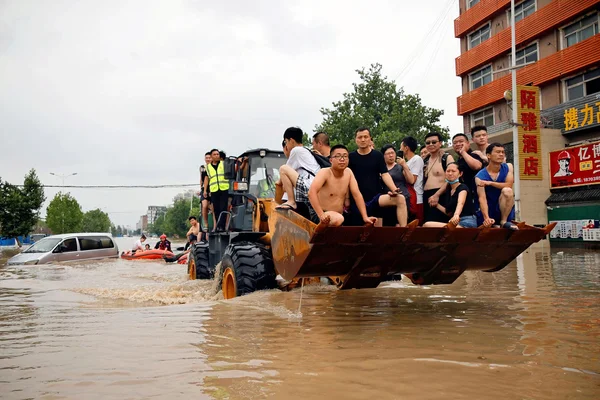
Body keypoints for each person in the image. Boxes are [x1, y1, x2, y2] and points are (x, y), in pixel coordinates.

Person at [347, 127, 408, 227]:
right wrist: (347, 198)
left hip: (376, 197)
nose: (363, 139)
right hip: (357, 200)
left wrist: (394, 189)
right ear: (356, 139)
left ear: (370, 138)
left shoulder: (377, 155)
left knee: (400, 199)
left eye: (365, 137)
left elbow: (385, 174)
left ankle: (404, 231)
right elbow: (346, 179)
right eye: (360, 137)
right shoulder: (351, 157)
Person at [308, 145, 377, 227]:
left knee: (342, 219)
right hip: (321, 214)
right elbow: (311, 192)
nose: (342, 159)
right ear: (331, 160)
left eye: (345, 156)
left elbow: (357, 194)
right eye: (338, 156)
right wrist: (321, 215)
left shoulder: (348, 172)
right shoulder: (325, 172)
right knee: (338, 219)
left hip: (338, 216)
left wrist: (365, 217)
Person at [428, 133, 483, 209]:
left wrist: (463, 152)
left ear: (468, 143)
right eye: (455, 143)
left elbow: (477, 166)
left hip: (477, 197)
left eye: (461, 141)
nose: (458, 144)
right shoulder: (458, 161)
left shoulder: (473, 155)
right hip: (464, 199)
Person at [275, 127, 321, 211]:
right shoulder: (305, 151)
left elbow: (284, 174)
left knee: (283, 168)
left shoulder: (296, 151)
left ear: (291, 140)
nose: (287, 146)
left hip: (309, 186)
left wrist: (278, 183)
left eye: (286, 142)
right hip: (316, 187)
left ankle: (291, 201)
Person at [475, 143, 518, 230]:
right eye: (498, 152)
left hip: (503, 208)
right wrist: (486, 218)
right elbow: (482, 199)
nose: (501, 154)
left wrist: (490, 183)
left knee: (507, 191)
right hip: (489, 210)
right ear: (488, 155)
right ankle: (492, 222)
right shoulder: (480, 176)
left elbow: (509, 185)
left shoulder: (508, 167)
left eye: (503, 152)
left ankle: (503, 221)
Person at [423, 163, 477, 228]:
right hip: (455, 222)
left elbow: (460, 203)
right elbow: (449, 213)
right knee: (427, 225)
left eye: (453, 171)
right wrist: (436, 205)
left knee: (428, 225)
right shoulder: (448, 189)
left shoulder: (463, 188)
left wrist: (456, 215)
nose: (450, 173)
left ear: (460, 174)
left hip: (467, 221)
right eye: (448, 171)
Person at [424, 132, 454, 223]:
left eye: (434, 142)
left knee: (442, 225)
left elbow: (451, 178)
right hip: (426, 195)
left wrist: (437, 194)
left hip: (441, 194)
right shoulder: (425, 160)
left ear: (440, 143)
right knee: (428, 226)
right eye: (428, 143)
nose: (431, 144)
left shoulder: (446, 157)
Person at [381, 144, 411, 213]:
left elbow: (411, 180)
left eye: (392, 153)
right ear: (383, 156)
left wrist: (404, 165)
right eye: (388, 153)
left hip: (403, 197)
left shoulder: (400, 167)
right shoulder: (381, 169)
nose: (391, 155)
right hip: (387, 199)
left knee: (400, 223)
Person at [206, 148, 230, 231]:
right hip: (214, 190)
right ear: (211, 156)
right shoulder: (208, 167)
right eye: (214, 154)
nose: (216, 156)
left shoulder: (224, 164)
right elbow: (207, 179)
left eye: (218, 154)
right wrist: (206, 190)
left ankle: (222, 227)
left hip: (224, 189)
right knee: (216, 209)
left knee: (223, 208)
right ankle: (218, 225)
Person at [401, 136, 424, 223]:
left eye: (401, 147)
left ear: (406, 148)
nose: (400, 149)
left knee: (416, 225)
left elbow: (412, 180)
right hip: (408, 197)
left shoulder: (417, 159)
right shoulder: (406, 162)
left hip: (416, 197)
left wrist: (404, 166)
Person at [200, 152, 214, 237]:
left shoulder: (213, 167)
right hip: (205, 189)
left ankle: (214, 224)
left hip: (213, 189)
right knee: (204, 205)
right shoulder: (203, 168)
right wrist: (202, 189)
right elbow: (202, 178)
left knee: (212, 208)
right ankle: (205, 223)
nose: (208, 159)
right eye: (206, 158)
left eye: (209, 158)